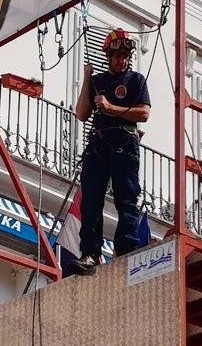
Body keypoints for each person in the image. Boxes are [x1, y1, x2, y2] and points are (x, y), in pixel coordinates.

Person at [70, 28, 151, 275]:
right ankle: (91, 253)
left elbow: (144, 113)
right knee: (90, 201)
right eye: (117, 56)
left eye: (125, 56)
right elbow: (82, 113)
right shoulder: (98, 82)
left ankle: (125, 249)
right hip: (99, 143)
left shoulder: (136, 80)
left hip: (124, 142)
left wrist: (111, 107)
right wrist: (87, 78)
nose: (122, 60)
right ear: (109, 56)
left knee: (126, 198)